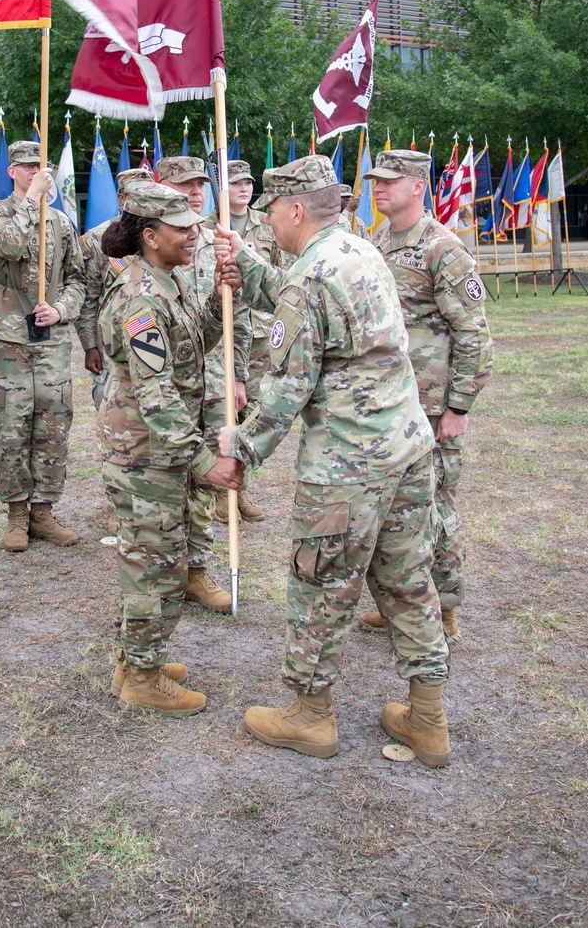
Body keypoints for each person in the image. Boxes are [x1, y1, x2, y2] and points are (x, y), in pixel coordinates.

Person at [215, 155, 452, 767]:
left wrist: (239, 451)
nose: (267, 218)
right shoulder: (360, 251)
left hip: (349, 467)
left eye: (271, 209)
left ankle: (310, 717)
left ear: (295, 210)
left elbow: (286, 387)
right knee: (405, 579)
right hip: (406, 447)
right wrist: (247, 262)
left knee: (320, 583)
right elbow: (317, 308)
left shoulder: (310, 277)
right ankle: (428, 720)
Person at [98, 182, 243, 713]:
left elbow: (191, 347)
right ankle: (143, 677)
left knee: (151, 557)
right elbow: (155, 393)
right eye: (182, 228)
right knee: (155, 565)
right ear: (149, 235)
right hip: (145, 451)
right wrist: (204, 462)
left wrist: (221, 300)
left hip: (157, 449)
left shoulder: (168, 282)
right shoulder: (142, 297)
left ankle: (134, 657)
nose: (195, 234)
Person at [360, 150, 493, 640]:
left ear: (418, 186)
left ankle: (446, 609)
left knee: (435, 508)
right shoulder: (373, 241)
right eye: (376, 180)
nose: (379, 188)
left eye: (390, 181)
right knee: (396, 510)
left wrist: (459, 407)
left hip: (434, 408)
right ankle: (405, 606)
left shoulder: (443, 248)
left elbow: (474, 333)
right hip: (389, 403)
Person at [0, 139, 85, 552]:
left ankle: (43, 512)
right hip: (10, 340)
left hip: (51, 341)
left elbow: (78, 278)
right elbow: (7, 247)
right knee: (10, 426)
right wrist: (33, 200)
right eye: (26, 167)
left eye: (41, 168)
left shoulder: (60, 222)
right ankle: (17, 514)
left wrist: (62, 310)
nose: (35, 173)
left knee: (54, 426)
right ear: (12, 171)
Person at [156, 155, 250, 612]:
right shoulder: (149, 243)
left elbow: (238, 315)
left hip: (213, 378)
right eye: (184, 185)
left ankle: (198, 570)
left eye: (199, 184)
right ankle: (166, 570)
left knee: (210, 478)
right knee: (169, 477)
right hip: (164, 388)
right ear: (163, 186)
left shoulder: (218, 241)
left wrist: (240, 375)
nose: (195, 192)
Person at [205, 157, 277, 524]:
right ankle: (221, 492)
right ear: (221, 189)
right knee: (223, 412)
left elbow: (280, 274)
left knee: (254, 412)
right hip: (225, 334)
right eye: (235, 183)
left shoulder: (268, 226)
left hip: (263, 335)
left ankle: (241, 488)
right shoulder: (209, 229)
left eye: (248, 182)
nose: (244, 188)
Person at [77, 168, 150, 412]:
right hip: (111, 346)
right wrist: (89, 346)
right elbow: (88, 298)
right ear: (121, 198)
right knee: (113, 414)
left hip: (152, 340)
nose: (142, 199)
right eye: (134, 194)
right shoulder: (97, 239)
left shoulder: (163, 236)